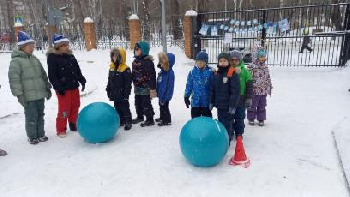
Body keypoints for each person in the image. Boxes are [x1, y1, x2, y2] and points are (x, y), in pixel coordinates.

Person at [8, 31, 52, 144]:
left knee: (40, 114)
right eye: (30, 46)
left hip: (40, 93)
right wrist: (19, 95)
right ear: (23, 47)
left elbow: (43, 75)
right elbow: (14, 80)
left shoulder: (34, 59)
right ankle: (32, 136)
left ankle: (40, 134)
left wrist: (47, 87)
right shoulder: (16, 62)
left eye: (33, 46)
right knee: (31, 116)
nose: (33, 48)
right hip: (28, 96)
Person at [47, 34, 86, 138]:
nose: (66, 47)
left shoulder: (70, 56)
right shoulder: (52, 57)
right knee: (64, 109)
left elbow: (77, 70)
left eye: (67, 45)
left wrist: (82, 79)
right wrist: (58, 87)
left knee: (75, 105)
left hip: (73, 85)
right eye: (63, 45)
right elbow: (52, 75)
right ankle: (61, 129)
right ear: (58, 46)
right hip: (63, 88)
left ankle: (73, 124)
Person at [210, 53, 240, 142]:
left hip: (228, 105)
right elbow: (213, 90)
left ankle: (227, 138)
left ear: (228, 62)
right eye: (220, 61)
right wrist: (211, 101)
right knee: (221, 121)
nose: (222, 63)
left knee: (228, 122)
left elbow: (235, 91)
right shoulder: (216, 74)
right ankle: (224, 136)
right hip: (220, 104)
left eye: (225, 61)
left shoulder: (232, 73)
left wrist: (232, 105)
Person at [131, 41, 157, 127]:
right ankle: (140, 116)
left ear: (143, 50)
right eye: (135, 49)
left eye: (137, 49)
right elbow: (133, 74)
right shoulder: (134, 61)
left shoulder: (148, 62)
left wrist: (152, 88)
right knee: (137, 103)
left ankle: (150, 119)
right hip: (137, 87)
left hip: (146, 87)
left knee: (146, 103)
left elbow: (152, 76)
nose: (135, 50)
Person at [106, 47, 132, 130]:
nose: (114, 57)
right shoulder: (111, 67)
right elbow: (110, 80)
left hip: (122, 93)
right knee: (117, 107)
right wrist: (108, 89)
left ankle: (128, 121)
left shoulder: (125, 68)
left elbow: (128, 83)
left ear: (121, 57)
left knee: (124, 108)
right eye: (113, 56)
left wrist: (126, 94)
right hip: (114, 93)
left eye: (116, 56)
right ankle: (121, 120)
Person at [229, 50, 253, 139]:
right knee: (230, 117)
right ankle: (230, 131)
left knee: (240, 117)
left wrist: (249, 98)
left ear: (240, 60)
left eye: (237, 60)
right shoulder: (228, 69)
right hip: (231, 99)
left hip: (241, 98)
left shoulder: (244, 71)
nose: (234, 61)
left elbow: (250, 84)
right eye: (232, 60)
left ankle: (239, 133)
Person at [184, 50, 213, 119]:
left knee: (207, 121)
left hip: (206, 102)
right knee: (195, 120)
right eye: (198, 61)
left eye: (202, 61)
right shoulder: (192, 72)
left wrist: (213, 99)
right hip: (195, 102)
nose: (200, 63)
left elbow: (213, 87)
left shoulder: (210, 72)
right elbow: (189, 85)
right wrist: (186, 96)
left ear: (206, 62)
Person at [247, 49, 273, 126]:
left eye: (264, 56)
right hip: (254, 90)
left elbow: (268, 77)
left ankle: (261, 118)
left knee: (262, 105)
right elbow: (248, 77)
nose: (263, 58)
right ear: (257, 57)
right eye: (261, 56)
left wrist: (269, 85)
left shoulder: (265, 67)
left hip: (263, 90)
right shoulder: (252, 66)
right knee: (252, 105)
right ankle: (251, 118)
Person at [156, 52, 175, 126]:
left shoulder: (169, 73)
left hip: (165, 95)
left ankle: (167, 120)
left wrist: (164, 97)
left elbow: (168, 87)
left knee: (165, 107)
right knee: (161, 106)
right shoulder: (163, 72)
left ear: (167, 63)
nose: (160, 63)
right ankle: (162, 117)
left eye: (162, 62)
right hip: (161, 93)